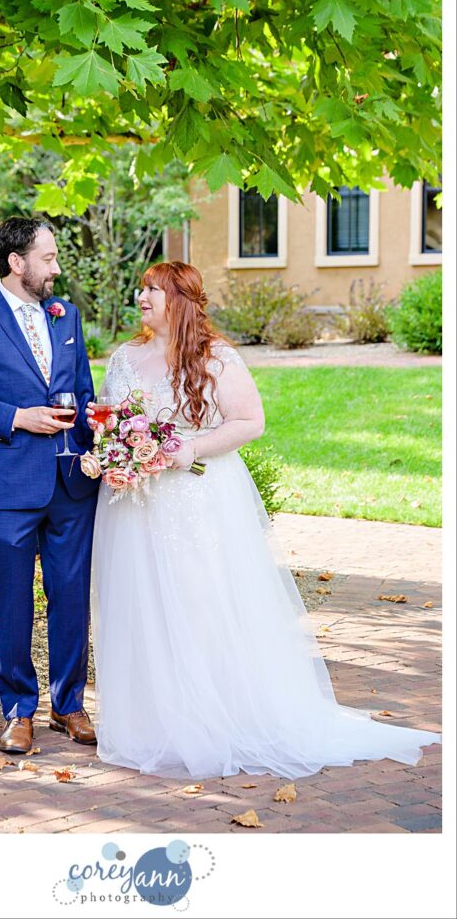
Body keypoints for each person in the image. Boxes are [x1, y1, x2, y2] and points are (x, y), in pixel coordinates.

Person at [87, 261, 441, 780]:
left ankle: (211, 719)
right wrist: (115, 452)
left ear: (181, 301)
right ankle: (153, 722)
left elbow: (250, 422)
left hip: (196, 502)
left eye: (154, 290)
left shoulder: (215, 357)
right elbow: (111, 420)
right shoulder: (124, 358)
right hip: (134, 506)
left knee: (199, 605)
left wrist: (184, 449)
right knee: (142, 604)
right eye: (141, 288)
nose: (142, 297)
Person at [0, 216, 99, 754]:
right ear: (16, 263)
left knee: (71, 597)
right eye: (48, 258)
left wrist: (100, 447)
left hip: (72, 482)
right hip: (8, 486)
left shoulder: (66, 313)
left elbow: (82, 391)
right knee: (13, 603)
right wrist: (16, 417)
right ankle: (18, 710)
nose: (56, 268)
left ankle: (68, 704)